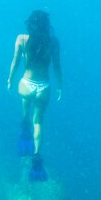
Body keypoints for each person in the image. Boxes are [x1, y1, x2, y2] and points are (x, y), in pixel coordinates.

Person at [7, 10, 62, 181]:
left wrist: (9, 79)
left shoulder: (22, 39)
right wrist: (60, 86)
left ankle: (24, 126)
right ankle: (37, 157)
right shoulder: (53, 42)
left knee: (25, 100)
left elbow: (15, 61)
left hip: (26, 84)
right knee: (38, 122)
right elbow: (57, 67)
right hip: (43, 87)